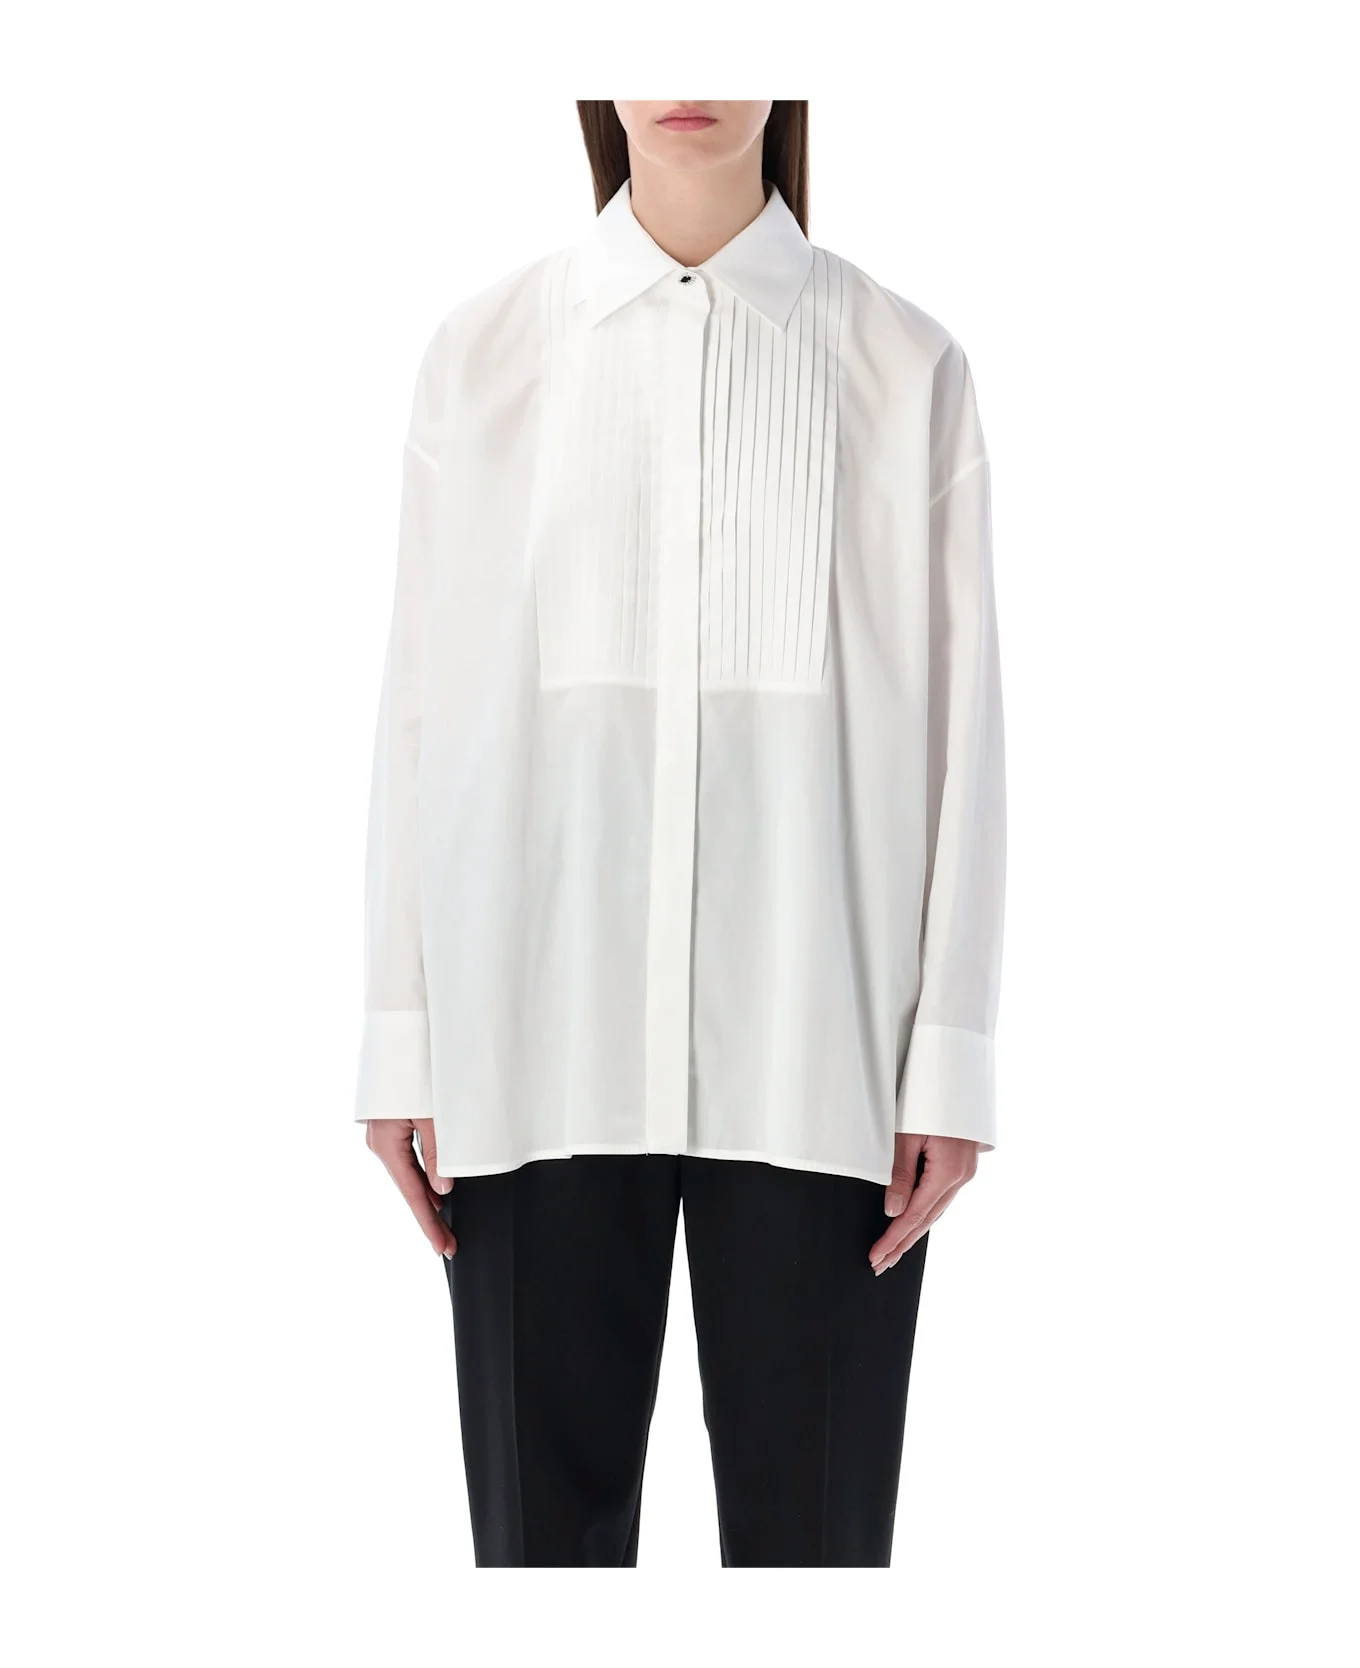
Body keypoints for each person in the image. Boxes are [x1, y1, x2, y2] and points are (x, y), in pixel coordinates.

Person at [354, 100, 1006, 1568]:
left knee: (816, 1558)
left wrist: (952, 1054)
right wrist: (402, 1035)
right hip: (532, 1046)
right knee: (540, 1566)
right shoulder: (480, 359)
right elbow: (418, 711)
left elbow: (967, 727)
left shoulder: (906, 368)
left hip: (823, 1061)